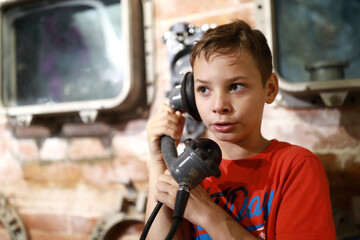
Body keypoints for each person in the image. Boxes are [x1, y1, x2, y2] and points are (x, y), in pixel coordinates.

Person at [145, 19, 337, 240]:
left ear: (270, 88)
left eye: (235, 86)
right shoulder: (190, 170)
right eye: (204, 89)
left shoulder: (295, 167)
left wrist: (208, 215)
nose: (218, 106)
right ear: (189, 97)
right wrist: (159, 160)